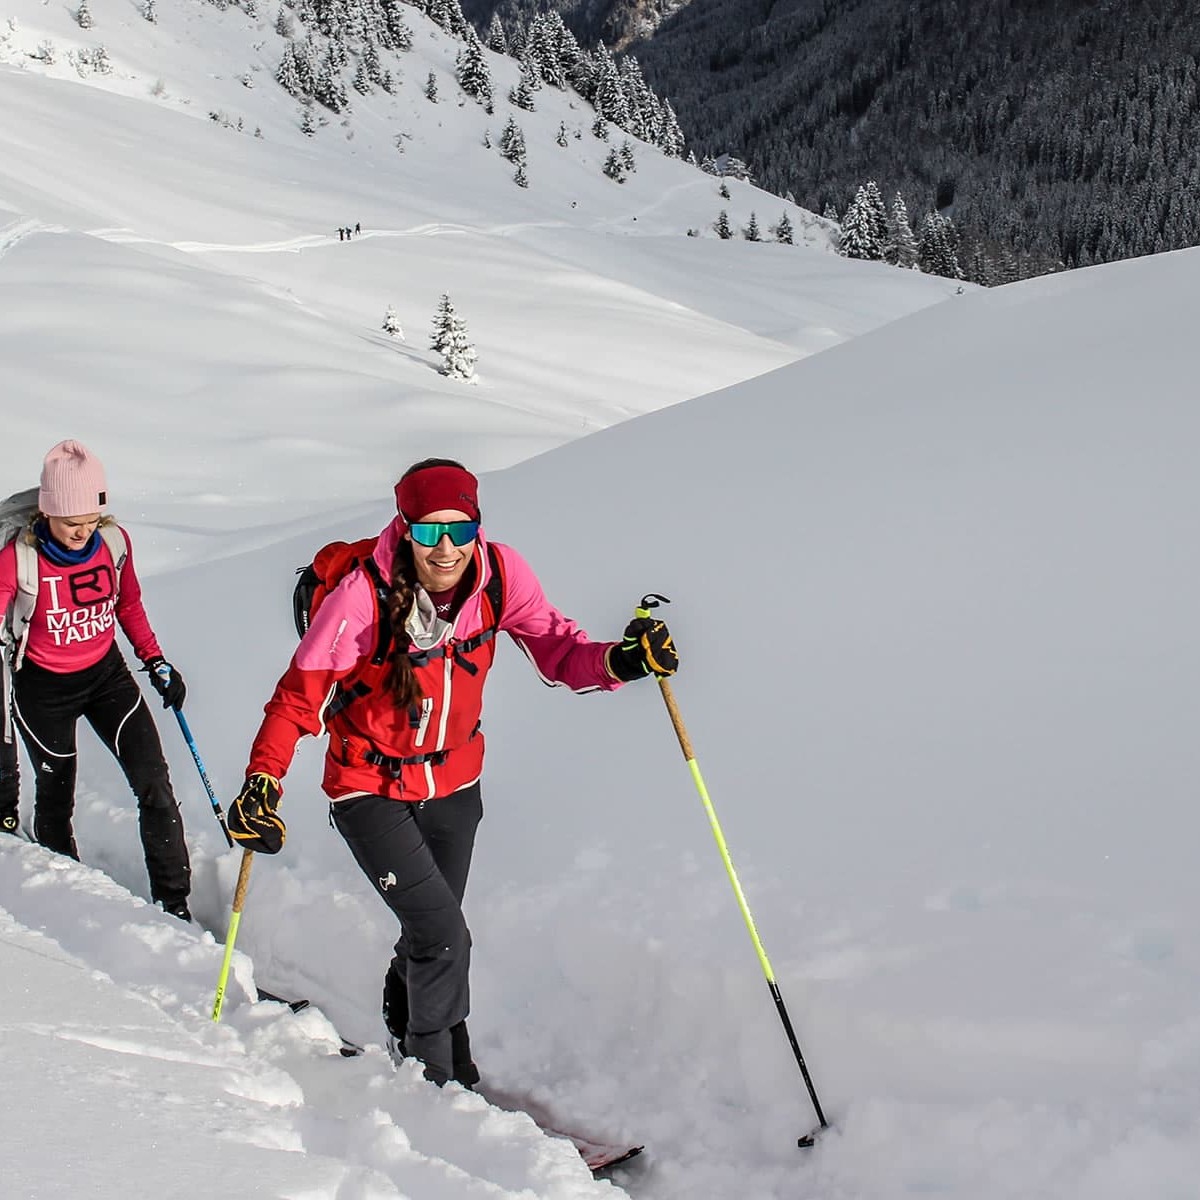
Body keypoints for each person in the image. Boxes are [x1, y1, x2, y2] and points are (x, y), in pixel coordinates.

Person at [227, 458, 678, 1086]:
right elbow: (299, 697)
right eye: (428, 531)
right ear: (404, 528)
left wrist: (621, 662)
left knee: (434, 929)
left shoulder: (501, 577)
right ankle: (436, 1076)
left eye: (459, 531)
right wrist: (262, 780)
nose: (445, 548)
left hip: (455, 784)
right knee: (444, 936)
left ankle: (406, 1017)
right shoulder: (363, 596)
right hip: (369, 786)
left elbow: (559, 650)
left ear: (478, 528)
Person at [0, 440, 192, 919]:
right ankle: (71, 892)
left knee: (155, 786)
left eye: (91, 521)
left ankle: (175, 903)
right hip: (43, 689)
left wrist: (156, 661)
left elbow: (127, 605)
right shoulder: (19, 559)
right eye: (71, 523)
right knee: (56, 794)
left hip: (108, 678)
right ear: (47, 513)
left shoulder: (112, 542)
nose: (82, 533)